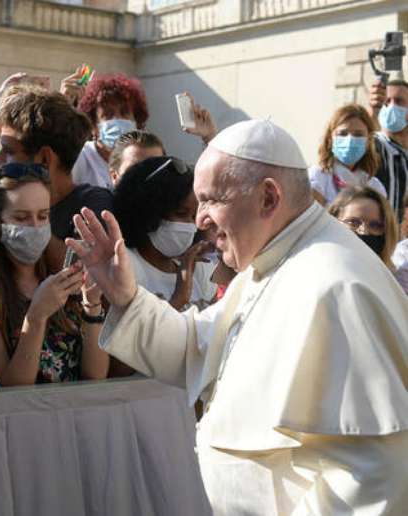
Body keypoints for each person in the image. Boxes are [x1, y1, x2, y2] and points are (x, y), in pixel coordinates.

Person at [67, 119, 408, 514]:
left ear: (267, 198)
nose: (199, 220)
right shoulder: (272, 263)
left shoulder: (337, 283)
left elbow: (377, 472)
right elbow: (193, 347)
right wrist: (126, 295)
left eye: (211, 200)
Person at [0, 162, 109, 385]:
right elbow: (11, 387)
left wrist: (92, 305)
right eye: (21, 218)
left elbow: (96, 376)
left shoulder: (60, 275)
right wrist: (36, 317)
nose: (35, 227)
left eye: (43, 216)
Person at [0, 87, 112, 271]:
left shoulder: (92, 207)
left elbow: (82, 275)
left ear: (44, 159)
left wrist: (30, 226)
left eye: (8, 151)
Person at [113, 157, 217, 311]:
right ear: (150, 212)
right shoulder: (126, 265)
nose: (190, 225)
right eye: (181, 213)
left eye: (194, 216)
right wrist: (179, 297)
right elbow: (138, 333)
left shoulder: (199, 268)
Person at [72, 73, 149, 189]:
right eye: (108, 114)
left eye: (124, 113)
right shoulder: (79, 157)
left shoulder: (145, 159)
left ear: (137, 122)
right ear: (93, 125)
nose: (117, 119)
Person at [308, 103, 386, 205]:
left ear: (368, 141)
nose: (350, 140)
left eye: (358, 134)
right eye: (343, 134)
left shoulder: (375, 186)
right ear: (330, 139)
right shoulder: (318, 177)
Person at [328, 185, 399, 271]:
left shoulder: (390, 280)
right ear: (334, 220)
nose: (364, 232)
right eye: (353, 222)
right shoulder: (315, 269)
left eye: (375, 225)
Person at [368, 78, 408, 222]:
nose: (391, 106)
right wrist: (373, 111)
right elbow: (366, 142)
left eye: (398, 101)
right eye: (386, 101)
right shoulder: (378, 145)